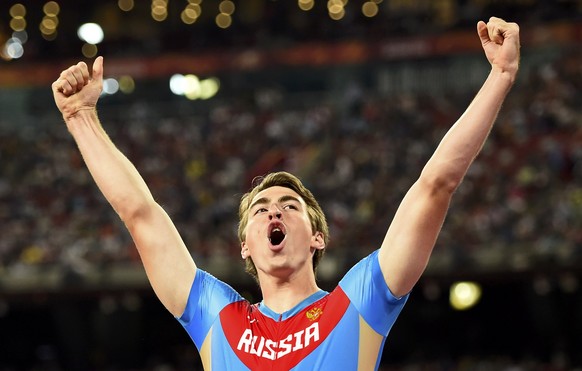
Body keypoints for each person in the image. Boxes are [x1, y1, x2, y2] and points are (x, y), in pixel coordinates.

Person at [52, 17, 520, 370]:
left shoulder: (358, 301)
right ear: (245, 247)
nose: (272, 211)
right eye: (259, 210)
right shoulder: (214, 314)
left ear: (318, 237)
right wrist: (80, 118)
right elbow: (141, 214)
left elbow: (435, 185)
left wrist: (499, 78)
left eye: (289, 206)